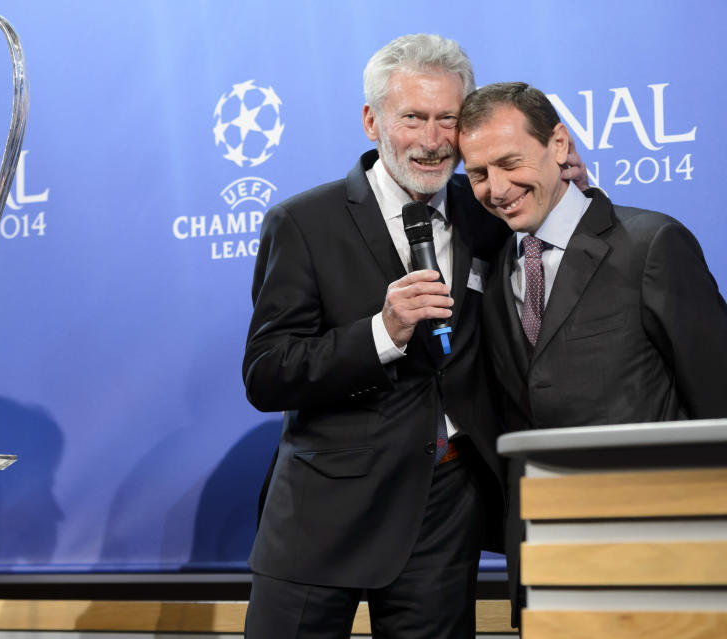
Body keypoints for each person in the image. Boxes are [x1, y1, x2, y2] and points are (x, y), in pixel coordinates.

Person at [243, 34, 588, 639]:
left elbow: (564, 271)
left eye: (447, 120)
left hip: (446, 507)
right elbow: (268, 372)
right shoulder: (302, 222)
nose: (431, 141)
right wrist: (384, 331)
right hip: (324, 514)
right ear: (373, 120)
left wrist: (568, 198)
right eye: (413, 118)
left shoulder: (487, 205)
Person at [457, 81, 727, 624]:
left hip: (663, 556)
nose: (497, 187)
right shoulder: (490, 270)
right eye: (479, 174)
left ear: (559, 145)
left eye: (511, 162)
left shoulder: (651, 244)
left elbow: (718, 398)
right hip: (546, 565)